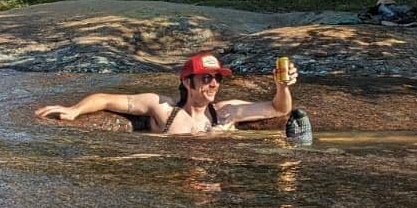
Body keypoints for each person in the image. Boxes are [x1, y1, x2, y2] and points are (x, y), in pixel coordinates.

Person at [35, 52, 299, 135]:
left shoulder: (226, 112)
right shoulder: (163, 108)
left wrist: (282, 86)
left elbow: (278, 109)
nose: (214, 84)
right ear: (187, 82)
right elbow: (105, 98)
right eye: (206, 78)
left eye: (217, 78)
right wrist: (74, 110)